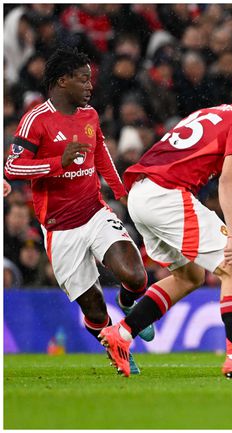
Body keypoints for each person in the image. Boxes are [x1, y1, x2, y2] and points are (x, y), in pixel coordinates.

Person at [98, 64, 232, 380]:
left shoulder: (213, 112)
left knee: (189, 275)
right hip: (166, 194)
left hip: (141, 193)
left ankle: (123, 334)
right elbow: (229, 178)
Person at [3, 47, 153, 374]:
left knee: (136, 277)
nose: (89, 86)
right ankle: (115, 347)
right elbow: (12, 168)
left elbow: (100, 156)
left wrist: (121, 192)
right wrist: (59, 163)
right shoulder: (36, 119)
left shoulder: (90, 116)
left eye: (90, 79)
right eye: (83, 79)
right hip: (60, 229)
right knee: (96, 312)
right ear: (62, 81)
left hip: (95, 213)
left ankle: (129, 305)